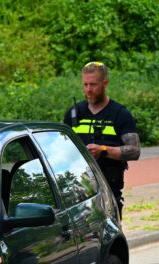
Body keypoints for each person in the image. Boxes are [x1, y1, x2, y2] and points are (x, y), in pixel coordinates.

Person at [64, 61, 140, 217]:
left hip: (109, 193)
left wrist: (103, 151)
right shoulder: (73, 114)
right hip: (77, 195)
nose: (88, 90)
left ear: (105, 84)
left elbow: (134, 151)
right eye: (85, 85)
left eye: (93, 85)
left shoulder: (120, 114)